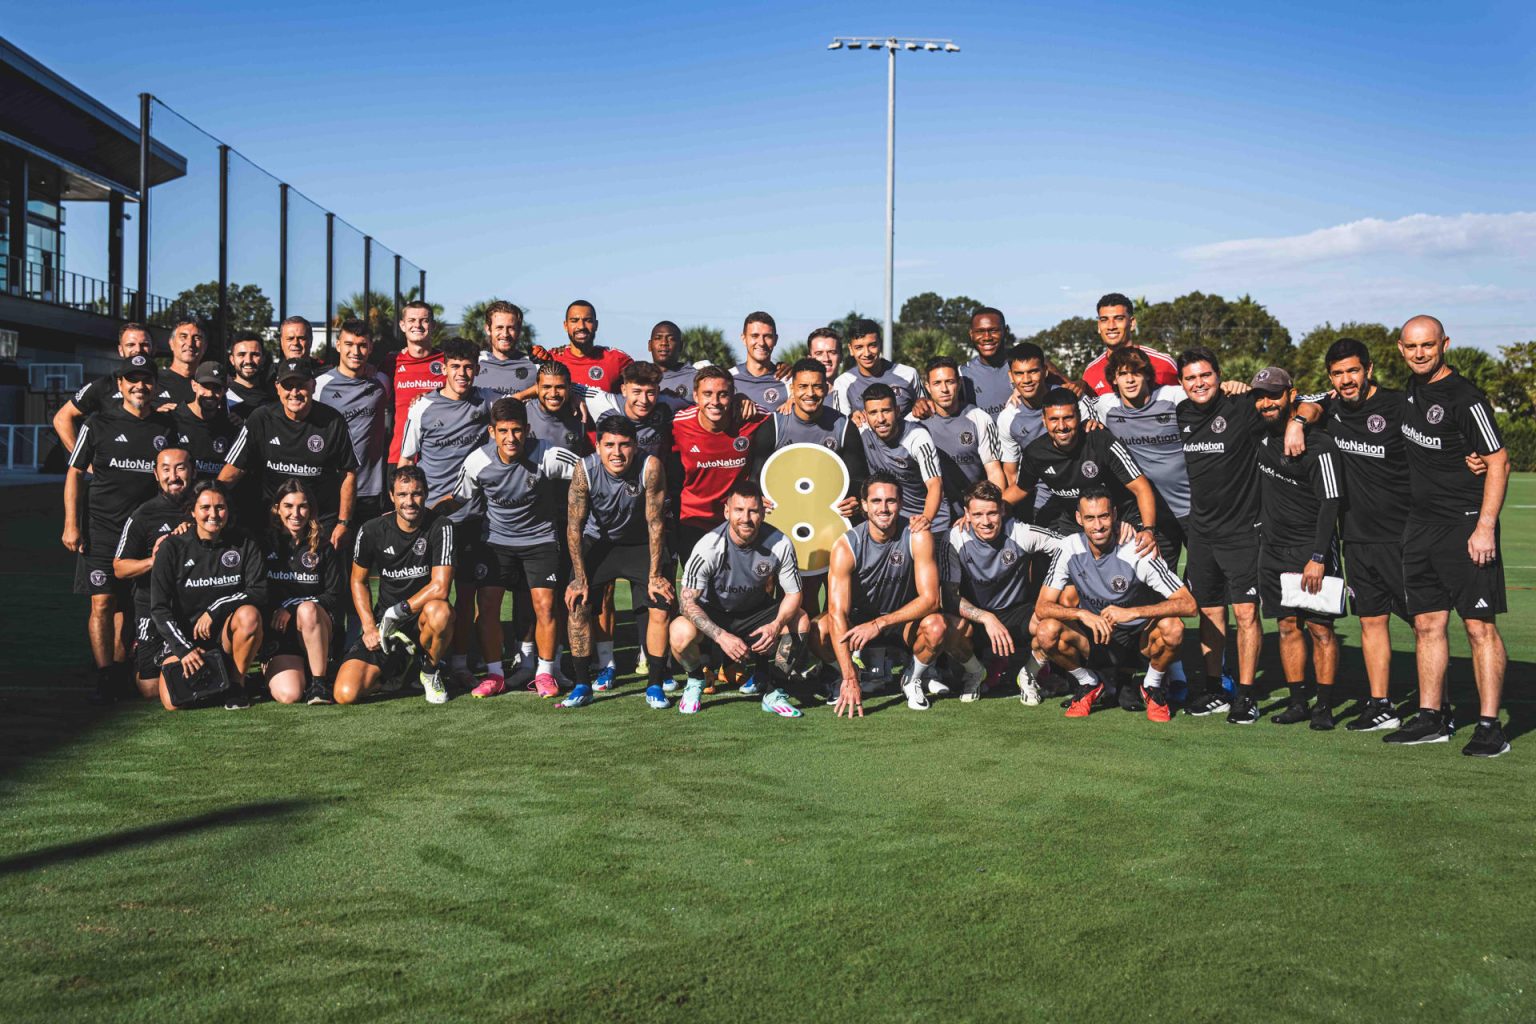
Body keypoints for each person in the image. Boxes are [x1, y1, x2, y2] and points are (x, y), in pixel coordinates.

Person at [1283, 338, 1484, 733]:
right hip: (1356, 538)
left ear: (1369, 369)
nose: (1347, 380)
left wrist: (1469, 455)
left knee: (1424, 624)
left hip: (1405, 535)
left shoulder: (1397, 405)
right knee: (1371, 623)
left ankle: (1440, 709)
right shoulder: (1331, 408)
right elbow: (1307, 400)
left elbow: (1440, 434)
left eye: (1353, 371)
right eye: (1339, 373)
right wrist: (1298, 420)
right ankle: (1381, 705)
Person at [1385, 315, 1510, 756]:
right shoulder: (1410, 390)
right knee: (1426, 625)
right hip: (1420, 527)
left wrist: (1484, 528)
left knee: (1479, 627)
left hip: (1465, 524)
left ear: (1445, 345)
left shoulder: (1465, 397)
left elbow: (1498, 461)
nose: (1420, 353)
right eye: (1412, 346)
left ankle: (1490, 726)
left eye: (1428, 346)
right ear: (1401, 349)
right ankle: (1431, 717)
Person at [447, 397, 579, 699]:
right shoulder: (477, 460)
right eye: (503, 431)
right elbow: (458, 499)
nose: (511, 438)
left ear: (527, 430)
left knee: (545, 606)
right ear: (492, 432)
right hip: (496, 542)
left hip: (540, 540)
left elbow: (588, 475)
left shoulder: (549, 454)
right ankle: (495, 674)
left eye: (517, 430)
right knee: (489, 606)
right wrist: (425, 517)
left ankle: (544, 674)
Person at [63, 354, 177, 703]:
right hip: (101, 529)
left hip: (144, 534)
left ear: (155, 386)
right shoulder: (97, 424)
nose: (139, 386)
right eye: (132, 379)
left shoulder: (165, 428)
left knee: (129, 605)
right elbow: (74, 474)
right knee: (102, 602)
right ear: (120, 385)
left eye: (146, 380)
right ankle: (106, 674)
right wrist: (72, 524)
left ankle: (121, 663)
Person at [811, 473, 976, 715]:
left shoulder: (917, 535)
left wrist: (880, 623)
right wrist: (849, 678)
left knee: (939, 626)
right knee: (820, 629)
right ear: (864, 505)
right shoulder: (846, 546)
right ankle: (852, 674)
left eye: (890, 501)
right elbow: (838, 614)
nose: (884, 508)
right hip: (859, 625)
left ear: (900, 503)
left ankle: (913, 677)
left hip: (903, 621)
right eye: (876, 501)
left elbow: (931, 600)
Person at [1034, 489, 1195, 723]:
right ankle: (1088, 682)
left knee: (1173, 627)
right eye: (1090, 518)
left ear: (1115, 515)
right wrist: (1082, 614)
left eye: (1104, 516)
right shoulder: (1068, 548)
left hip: (1138, 641)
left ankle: (1151, 686)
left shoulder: (1137, 549)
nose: (1098, 526)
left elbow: (1188, 604)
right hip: (1096, 637)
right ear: (1079, 519)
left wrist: (1133, 613)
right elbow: (1042, 607)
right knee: (1046, 631)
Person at [1249, 367, 1344, 729]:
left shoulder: (1319, 445)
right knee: (1287, 626)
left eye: (1274, 394)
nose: (1266, 402)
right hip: (1273, 550)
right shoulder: (1261, 433)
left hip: (1311, 551)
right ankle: (1298, 701)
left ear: (1292, 394)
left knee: (1321, 630)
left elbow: (1331, 503)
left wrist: (1318, 557)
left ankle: (1325, 706)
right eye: (1260, 395)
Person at [1176, 345, 1265, 721]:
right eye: (1191, 378)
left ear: (1219, 375)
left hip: (1242, 532)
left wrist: (1298, 421)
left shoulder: (1241, 406)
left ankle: (1245, 695)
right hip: (1201, 533)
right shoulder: (1181, 413)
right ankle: (1213, 690)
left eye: (1206, 375)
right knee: (1210, 613)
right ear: (1182, 383)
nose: (1199, 383)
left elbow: (1297, 401)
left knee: (1245, 613)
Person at [399, 337, 495, 685]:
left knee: (467, 593)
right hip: (432, 520)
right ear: (443, 369)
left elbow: (520, 401)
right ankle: (419, 660)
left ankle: (458, 664)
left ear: (477, 369)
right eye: (455, 366)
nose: (462, 373)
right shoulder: (422, 406)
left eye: (469, 367)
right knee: (428, 592)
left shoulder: (487, 401)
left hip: (473, 517)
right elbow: (407, 460)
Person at [564, 415, 675, 708]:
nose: (617, 452)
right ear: (598, 446)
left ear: (635, 446)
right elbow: (574, 525)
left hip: (640, 542)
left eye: (624, 445)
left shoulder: (650, 467)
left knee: (661, 603)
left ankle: (655, 683)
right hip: (599, 542)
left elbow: (655, 523)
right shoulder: (584, 469)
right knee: (578, 603)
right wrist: (579, 577)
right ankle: (582, 684)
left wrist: (654, 575)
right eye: (609, 444)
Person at [671, 481, 807, 717]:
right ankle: (695, 680)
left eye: (753, 511)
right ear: (727, 511)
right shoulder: (709, 546)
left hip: (755, 612)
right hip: (713, 614)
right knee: (679, 632)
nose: (746, 518)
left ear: (763, 512)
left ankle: (775, 691)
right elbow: (686, 603)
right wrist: (721, 636)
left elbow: (794, 594)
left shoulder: (780, 543)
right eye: (739, 510)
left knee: (801, 620)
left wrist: (775, 626)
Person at [335, 466, 456, 705]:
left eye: (416, 494)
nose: (409, 501)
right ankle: (401, 670)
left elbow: (440, 587)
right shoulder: (371, 530)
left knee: (441, 611)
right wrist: (369, 627)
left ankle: (430, 670)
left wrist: (397, 611)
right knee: (345, 694)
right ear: (391, 496)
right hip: (386, 628)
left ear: (426, 494)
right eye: (402, 494)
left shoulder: (441, 526)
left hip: (422, 623)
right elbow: (357, 580)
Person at [149, 480, 266, 711]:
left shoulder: (245, 542)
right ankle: (215, 678)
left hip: (224, 638)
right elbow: (159, 609)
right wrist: (185, 649)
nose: (213, 514)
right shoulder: (172, 547)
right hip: (185, 639)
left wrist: (215, 609)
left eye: (220, 507)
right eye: (205, 508)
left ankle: (236, 684)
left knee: (249, 615)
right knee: (173, 703)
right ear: (192, 511)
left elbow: (259, 591)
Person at [943, 481, 1064, 703]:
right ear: (966, 514)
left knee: (1053, 627)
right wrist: (986, 618)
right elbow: (949, 597)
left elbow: (1069, 547)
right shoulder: (954, 538)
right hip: (977, 618)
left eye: (992, 513)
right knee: (947, 627)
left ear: (1002, 510)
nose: (986, 522)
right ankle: (975, 672)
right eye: (978, 514)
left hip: (1018, 613)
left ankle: (1029, 674)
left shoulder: (1021, 532)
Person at [219, 359, 358, 544]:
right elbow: (234, 469)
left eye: (300, 386)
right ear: (277, 388)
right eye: (288, 386)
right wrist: (207, 502)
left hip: (320, 522)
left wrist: (344, 522)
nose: (294, 393)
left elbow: (349, 474)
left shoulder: (333, 422)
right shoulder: (261, 418)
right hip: (273, 522)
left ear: (313, 386)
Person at [1007, 387, 1160, 552]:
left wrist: (1148, 530)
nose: (1061, 426)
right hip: (1075, 525)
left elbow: (1141, 487)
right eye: (1054, 419)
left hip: (1120, 520)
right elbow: (1020, 490)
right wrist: (984, 509)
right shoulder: (1035, 453)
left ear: (1079, 417)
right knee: (1063, 567)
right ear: (1044, 421)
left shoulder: (1100, 440)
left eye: (1068, 418)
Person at [1081, 346, 1196, 565]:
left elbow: (1208, 395)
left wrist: (1229, 386)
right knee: (1160, 584)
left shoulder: (1173, 396)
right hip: (1153, 515)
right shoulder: (1106, 405)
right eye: (1123, 374)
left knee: (1204, 582)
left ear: (1148, 375)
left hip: (1191, 508)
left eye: (1136, 373)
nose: (1130, 380)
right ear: (1113, 380)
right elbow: (1065, 407)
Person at [112, 446, 194, 700]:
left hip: (194, 605)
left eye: (180, 468)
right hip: (152, 605)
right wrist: (154, 560)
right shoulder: (144, 514)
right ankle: (141, 653)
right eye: (166, 469)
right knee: (149, 690)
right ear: (155, 475)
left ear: (193, 471)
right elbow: (119, 567)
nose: (173, 476)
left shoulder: (206, 506)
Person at [748, 358, 866, 517]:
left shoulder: (844, 427)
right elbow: (756, 478)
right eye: (803, 386)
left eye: (817, 386)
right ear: (792, 389)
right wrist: (758, 498)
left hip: (827, 514)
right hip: (783, 512)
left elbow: (858, 478)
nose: (810, 393)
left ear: (826, 388)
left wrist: (855, 500)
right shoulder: (773, 426)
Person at [670, 366, 767, 555]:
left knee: (741, 583)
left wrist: (790, 400)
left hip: (738, 520)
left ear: (732, 396)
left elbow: (788, 422)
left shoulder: (752, 417)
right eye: (707, 394)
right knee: (697, 584)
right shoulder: (678, 424)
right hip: (693, 520)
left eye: (723, 394)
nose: (715, 402)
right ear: (696, 396)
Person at [262, 480, 344, 705]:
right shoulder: (264, 544)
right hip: (281, 634)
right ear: (277, 509)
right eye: (288, 506)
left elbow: (334, 595)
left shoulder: (324, 546)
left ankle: (319, 682)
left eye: (302, 506)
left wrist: (291, 606)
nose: (295, 513)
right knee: (289, 695)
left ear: (311, 510)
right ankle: (284, 671)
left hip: (317, 627)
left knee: (307, 609)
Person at [314, 320, 393, 525]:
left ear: (370, 348)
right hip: (332, 487)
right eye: (349, 344)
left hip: (371, 491)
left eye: (362, 345)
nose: (355, 351)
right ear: (338, 345)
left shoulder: (381, 382)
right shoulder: (319, 386)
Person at [914, 356, 1006, 521]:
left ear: (959, 383)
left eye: (949, 382)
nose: (944, 389)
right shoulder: (915, 422)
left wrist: (986, 511)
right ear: (927, 387)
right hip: (929, 514)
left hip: (973, 513)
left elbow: (994, 472)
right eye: (937, 383)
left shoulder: (979, 418)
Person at [53, 323, 166, 450]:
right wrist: (82, 460)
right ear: (120, 350)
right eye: (130, 345)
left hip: (155, 466)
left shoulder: (168, 382)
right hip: (114, 467)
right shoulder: (104, 384)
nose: (138, 349)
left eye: (144, 344)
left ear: (154, 348)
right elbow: (62, 418)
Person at [856, 383, 947, 535]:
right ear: (865, 415)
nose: (880, 419)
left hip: (929, 519)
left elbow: (935, 484)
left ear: (897, 411)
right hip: (891, 520)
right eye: (873, 413)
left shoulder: (917, 437)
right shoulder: (862, 430)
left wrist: (926, 519)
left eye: (886, 411)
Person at [996, 342, 1056, 516]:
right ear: (1011, 376)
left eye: (1033, 371)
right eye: (1019, 374)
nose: (1027, 380)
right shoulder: (1008, 418)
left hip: (1080, 501)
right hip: (1040, 505)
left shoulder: (1070, 402)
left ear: (1045, 371)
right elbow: (1012, 474)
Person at [1080, 292, 1179, 396]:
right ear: (1099, 326)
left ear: (1132, 323)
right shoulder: (1090, 373)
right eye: (1104, 320)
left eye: (1119, 319)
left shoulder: (1163, 364)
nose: (1111, 326)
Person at [386, 299, 443, 466]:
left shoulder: (448, 362)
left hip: (439, 459)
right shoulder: (390, 362)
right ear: (402, 325)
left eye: (424, 320)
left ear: (433, 326)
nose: (417, 325)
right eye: (411, 320)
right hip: (399, 456)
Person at [828, 320, 921, 416]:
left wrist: (922, 405)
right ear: (851, 349)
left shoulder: (908, 374)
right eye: (859, 347)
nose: (867, 353)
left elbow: (927, 412)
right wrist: (851, 420)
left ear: (880, 344)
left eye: (872, 345)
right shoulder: (843, 382)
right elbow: (841, 425)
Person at [173, 362, 240, 480]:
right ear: (194, 385)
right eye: (205, 386)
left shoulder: (231, 426)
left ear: (225, 390)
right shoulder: (173, 419)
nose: (210, 394)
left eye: (217, 388)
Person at [552, 299, 632, 396]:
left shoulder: (617, 359)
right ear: (565, 325)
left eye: (588, 320)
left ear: (596, 325)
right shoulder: (552, 358)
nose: (581, 326)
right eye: (574, 321)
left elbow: (645, 387)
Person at [476, 300, 552, 399]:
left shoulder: (535, 366)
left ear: (519, 330)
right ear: (488, 329)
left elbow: (560, 387)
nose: (505, 334)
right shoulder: (473, 363)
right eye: (499, 327)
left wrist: (520, 397)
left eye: (511, 328)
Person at [527, 360, 593, 454]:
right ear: (536, 388)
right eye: (546, 387)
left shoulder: (582, 414)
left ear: (569, 388)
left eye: (560, 387)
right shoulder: (522, 413)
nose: (553, 394)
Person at [960, 307, 1015, 416]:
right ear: (971, 334)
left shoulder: (1028, 364)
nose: (987, 337)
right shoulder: (962, 375)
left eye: (993, 330)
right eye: (980, 331)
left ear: (1006, 331)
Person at [730, 311, 788, 413]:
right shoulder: (728, 378)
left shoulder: (788, 381)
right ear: (744, 339)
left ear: (776, 339)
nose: (761, 343)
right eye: (754, 336)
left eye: (767, 336)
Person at [649, 320, 709, 411]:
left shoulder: (696, 378)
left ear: (681, 346)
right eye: (658, 338)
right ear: (649, 345)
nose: (664, 343)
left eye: (671, 339)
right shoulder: (639, 377)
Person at [225, 331, 273, 422]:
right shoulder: (223, 396)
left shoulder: (275, 397)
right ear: (232, 359)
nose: (248, 361)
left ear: (263, 359)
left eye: (255, 355)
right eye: (241, 355)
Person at [158, 318, 205, 407]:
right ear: (171, 343)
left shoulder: (212, 385)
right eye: (183, 337)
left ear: (205, 347)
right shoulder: (153, 381)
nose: (190, 343)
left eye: (197, 338)